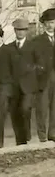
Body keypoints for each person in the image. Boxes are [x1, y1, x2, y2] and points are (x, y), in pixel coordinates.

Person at [8, 18, 39, 146]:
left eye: (23, 30)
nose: (20, 33)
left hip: (28, 86)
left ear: (26, 31)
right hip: (13, 86)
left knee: (25, 109)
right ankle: (19, 141)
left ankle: (26, 134)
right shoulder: (9, 48)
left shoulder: (33, 46)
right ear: (15, 31)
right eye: (18, 30)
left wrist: (33, 73)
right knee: (14, 113)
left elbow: (40, 63)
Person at [33, 8, 55, 142]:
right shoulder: (37, 41)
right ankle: (42, 135)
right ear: (43, 24)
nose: (50, 25)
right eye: (48, 22)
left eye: (53, 22)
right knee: (42, 107)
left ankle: (52, 133)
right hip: (43, 78)